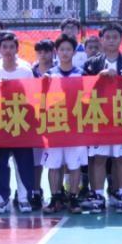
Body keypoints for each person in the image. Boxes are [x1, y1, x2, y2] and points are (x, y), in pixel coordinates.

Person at [84, 23, 122, 212]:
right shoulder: (92, 64)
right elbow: (83, 90)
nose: (111, 41)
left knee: (121, 158)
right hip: (99, 118)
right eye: (107, 37)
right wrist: (98, 78)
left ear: (120, 40)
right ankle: (98, 195)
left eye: (115, 37)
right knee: (99, 158)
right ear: (101, 40)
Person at [0, 31, 37, 213]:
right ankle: (1, 199)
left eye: (11, 47)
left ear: (17, 49)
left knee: (23, 162)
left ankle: (24, 199)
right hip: (0, 122)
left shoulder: (25, 70)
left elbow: (32, 95)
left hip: (21, 121)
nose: (8, 50)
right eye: (4, 47)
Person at [42, 36, 86, 215]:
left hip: (75, 127)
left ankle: (73, 197)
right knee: (54, 164)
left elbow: (88, 98)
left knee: (74, 164)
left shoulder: (81, 74)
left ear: (74, 52)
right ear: (56, 52)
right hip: (55, 126)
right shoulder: (49, 75)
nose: (65, 53)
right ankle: (55, 198)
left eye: (68, 49)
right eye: (62, 49)